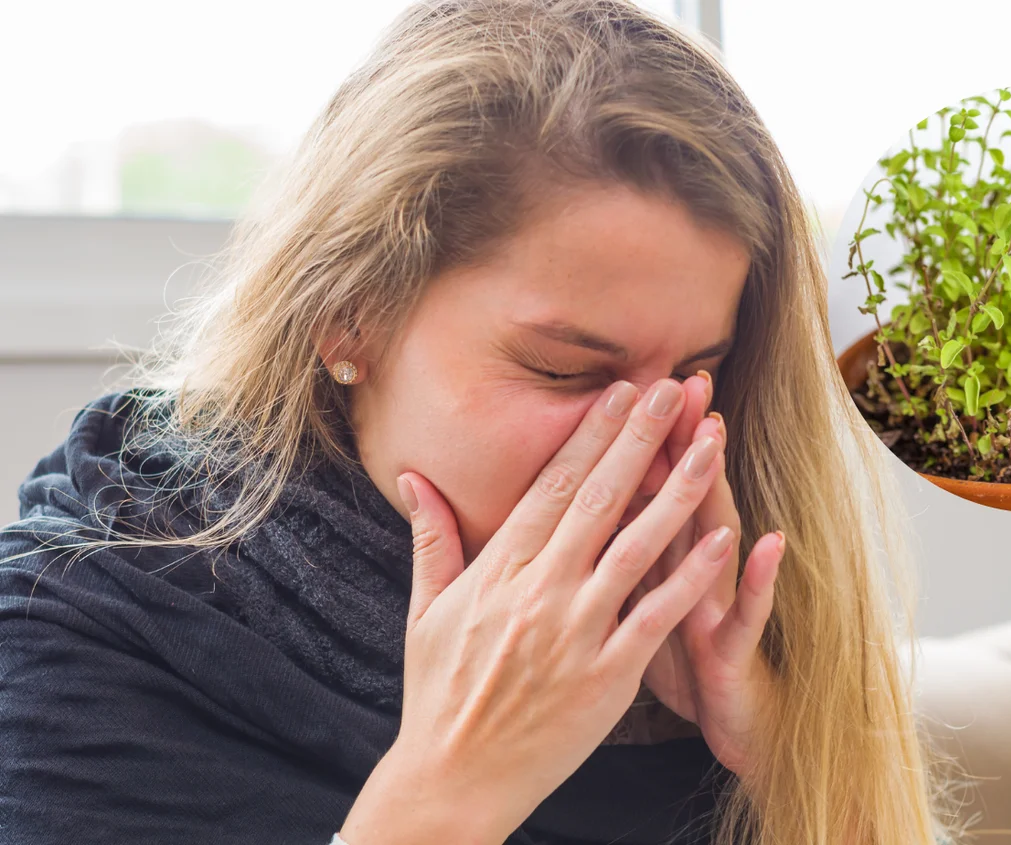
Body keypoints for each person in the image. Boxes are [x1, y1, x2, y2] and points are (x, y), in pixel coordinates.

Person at [0, 1, 953, 843]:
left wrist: (786, 754)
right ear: (349, 316)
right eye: (567, 368)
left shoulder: (710, 656)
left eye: (699, 373)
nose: (652, 448)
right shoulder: (72, 636)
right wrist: (446, 795)